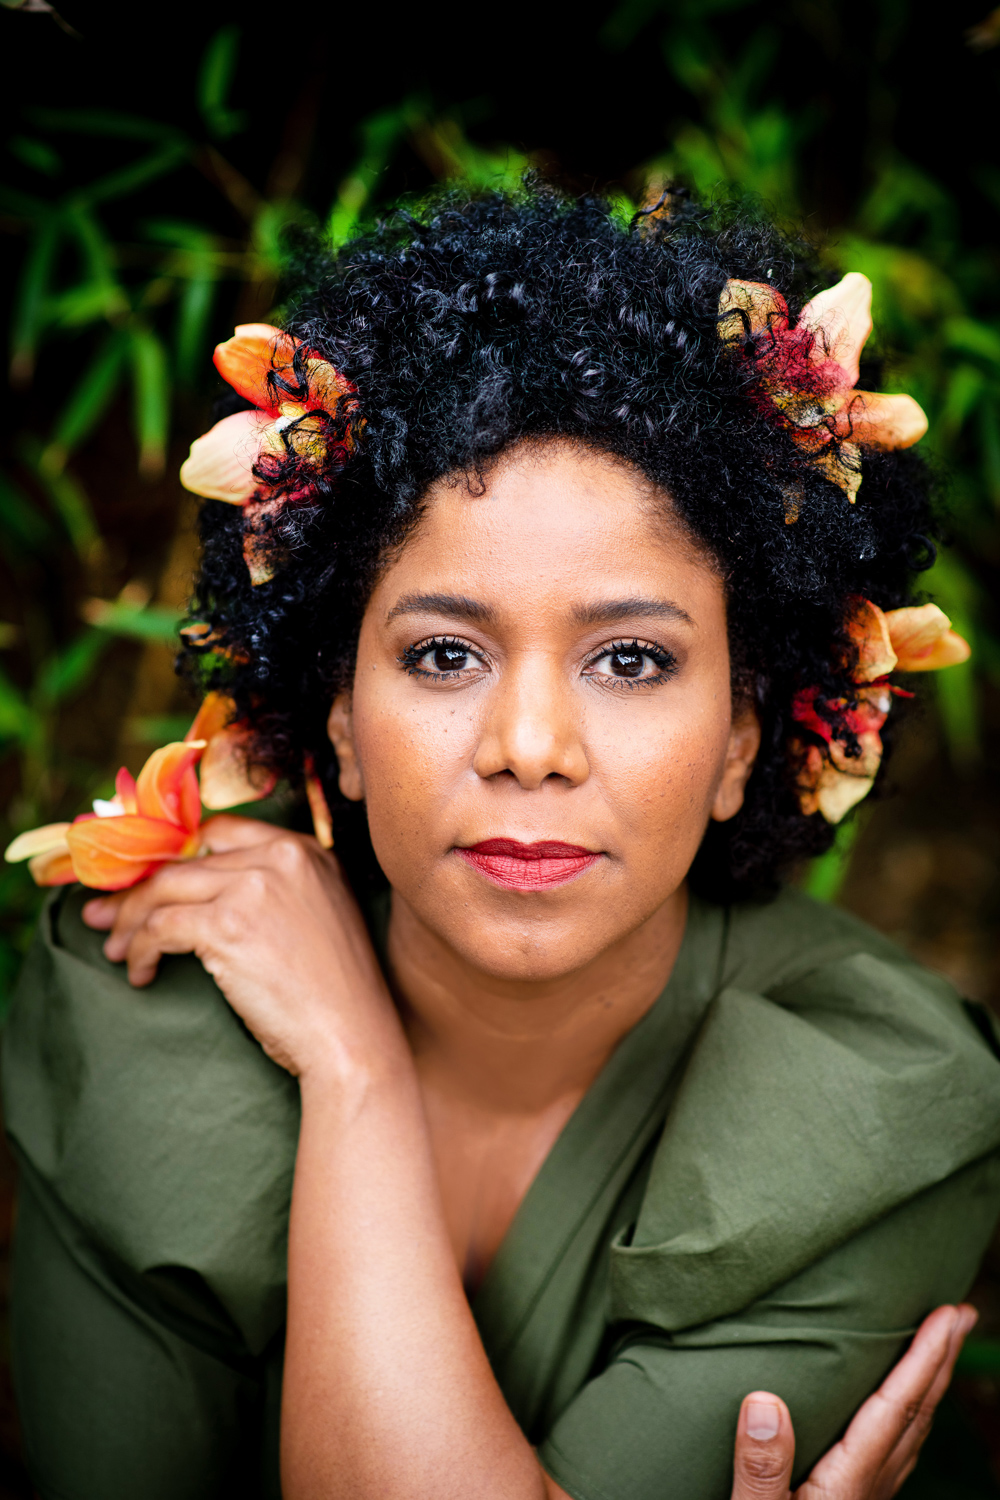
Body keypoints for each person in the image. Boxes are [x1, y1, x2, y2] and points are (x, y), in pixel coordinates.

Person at [4, 185, 1000, 1500]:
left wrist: (354, 1070)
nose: (531, 746)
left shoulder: (878, 1106)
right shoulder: (146, 1008)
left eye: (631, 658)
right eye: (444, 654)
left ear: (740, 742)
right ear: (340, 721)